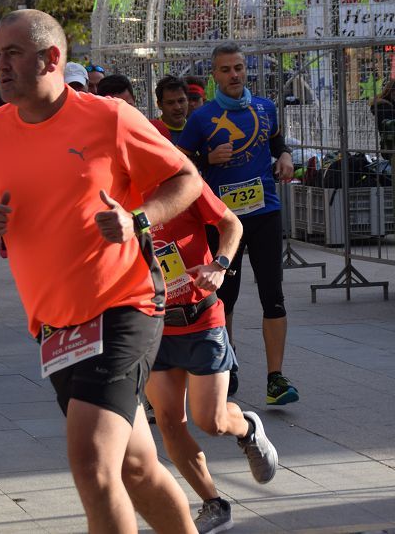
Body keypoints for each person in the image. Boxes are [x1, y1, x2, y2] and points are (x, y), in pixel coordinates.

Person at [0, 9, 201, 533]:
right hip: (56, 325)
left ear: (52, 59)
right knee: (133, 466)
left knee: (91, 463)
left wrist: (137, 220)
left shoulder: (108, 117)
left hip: (124, 303)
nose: (0, 66)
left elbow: (186, 179)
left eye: (12, 54)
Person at [144, 180, 278, 533]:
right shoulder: (114, 195)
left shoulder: (181, 184)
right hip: (154, 327)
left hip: (201, 319)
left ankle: (246, 428)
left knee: (211, 420)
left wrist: (219, 265)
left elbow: (231, 224)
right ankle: (214, 503)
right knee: (170, 423)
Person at [177, 42, 299, 406]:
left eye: (239, 68)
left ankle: (275, 379)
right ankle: (226, 365)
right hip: (222, 219)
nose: (235, 75)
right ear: (214, 74)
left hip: (264, 212)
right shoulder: (201, 118)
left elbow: (276, 140)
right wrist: (207, 158)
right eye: (227, 70)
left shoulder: (265, 107)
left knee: (272, 295)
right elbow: (182, 166)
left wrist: (286, 156)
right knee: (224, 296)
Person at [149, 75, 189, 144]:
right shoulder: (151, 131)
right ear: (159, 105)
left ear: (187, 100)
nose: (177, 107)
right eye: (170, 103)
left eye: (181, 101)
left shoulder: (197, 129)